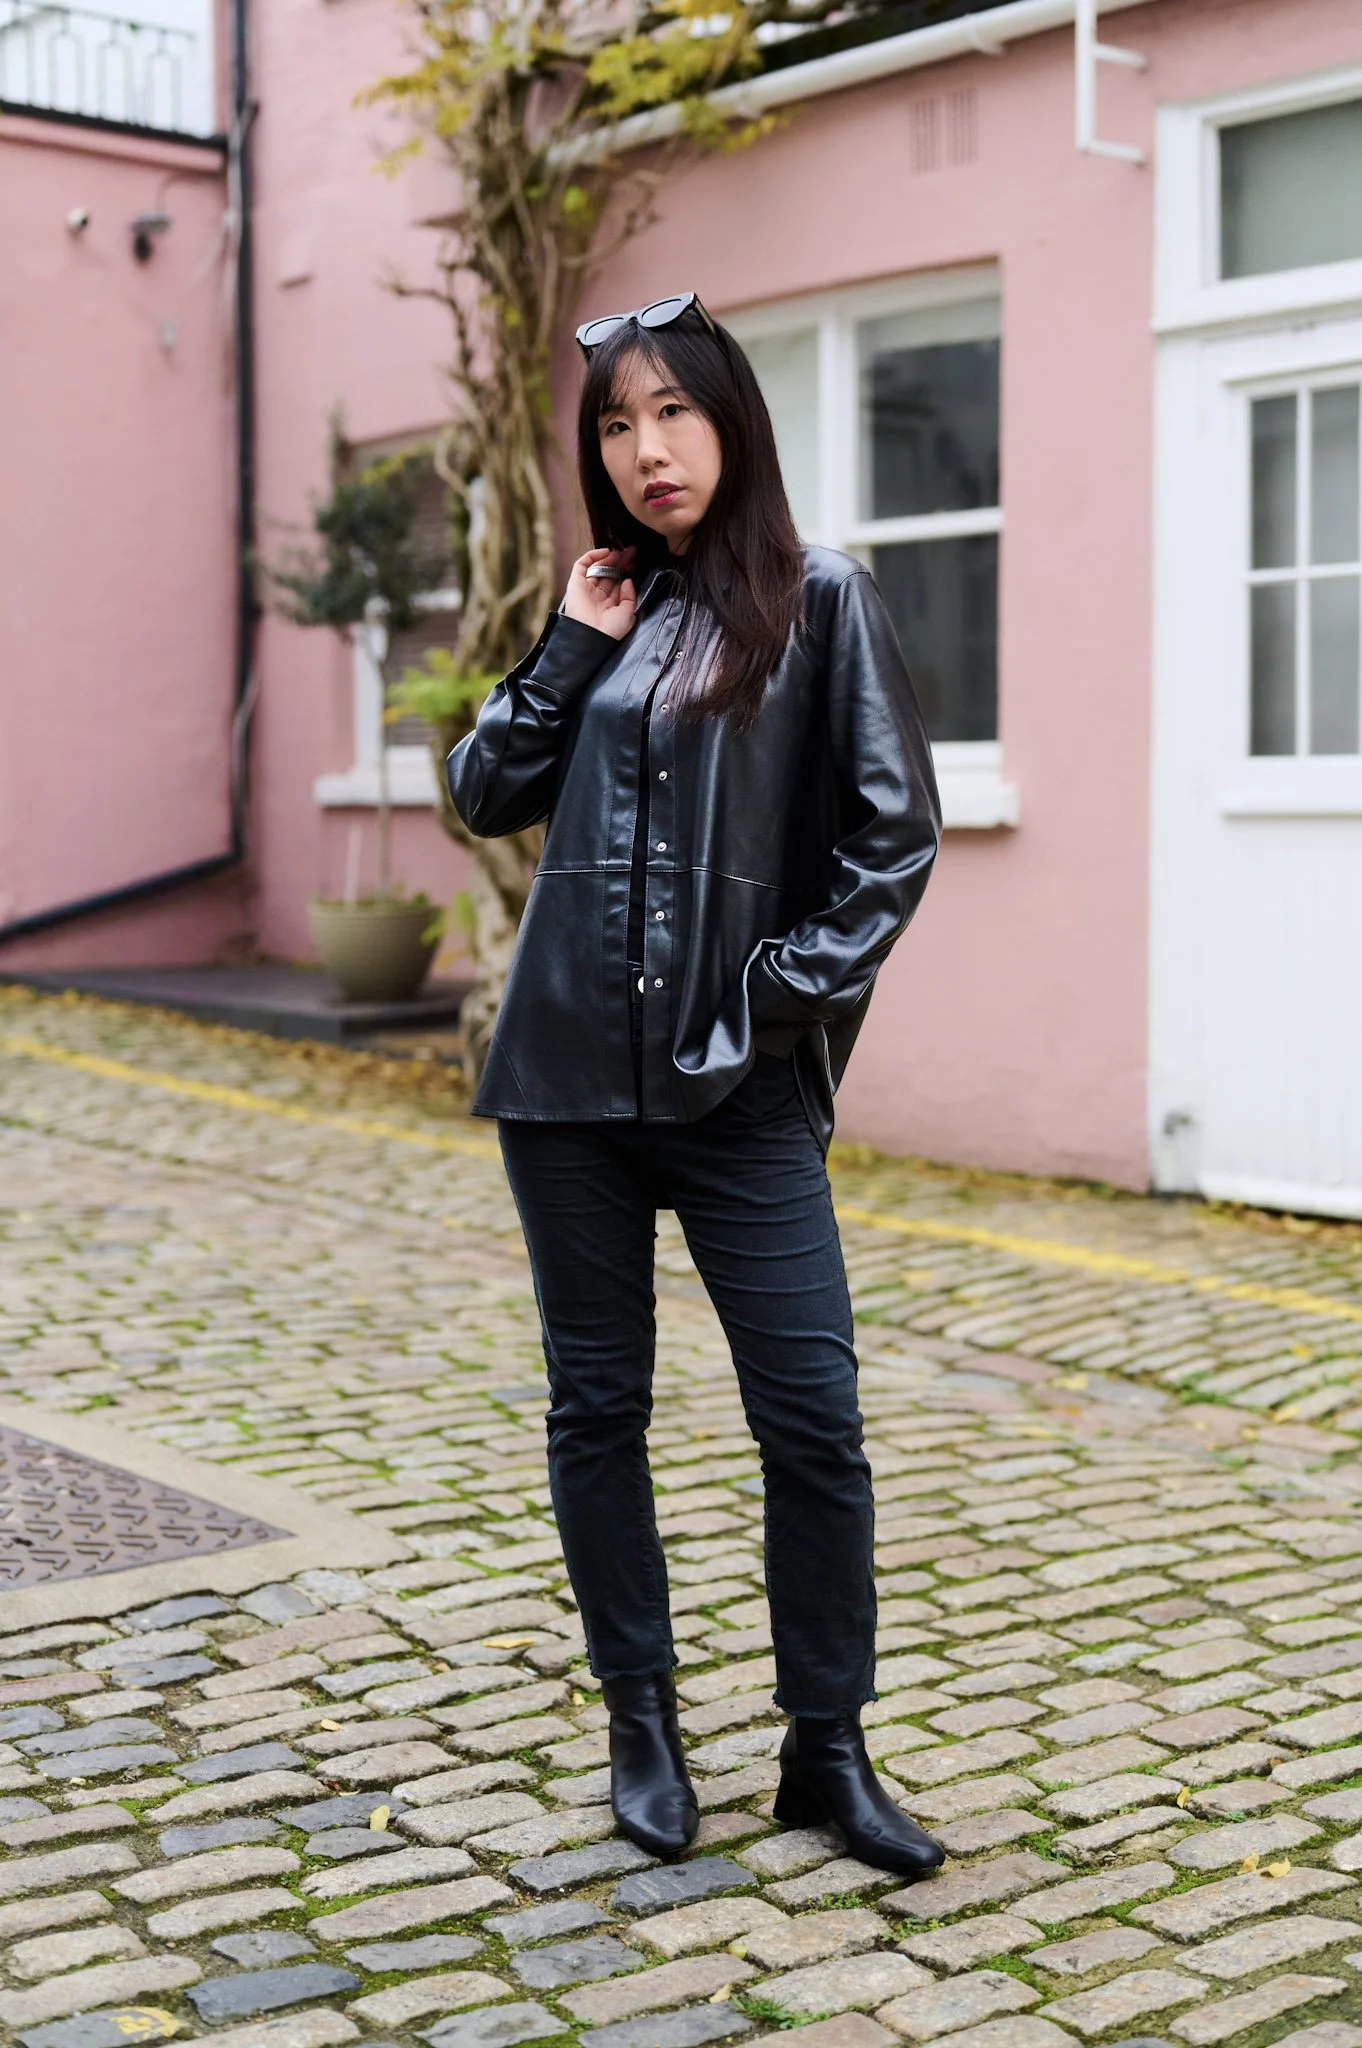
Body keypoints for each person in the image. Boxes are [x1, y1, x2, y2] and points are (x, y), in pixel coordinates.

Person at [447, 292, 944, 1878]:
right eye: (612, 422)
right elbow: (481, 791)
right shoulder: (602, 615)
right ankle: (640, 1724)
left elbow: (890, 844)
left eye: (670, 411)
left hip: (740, 1097)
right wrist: (565, 646)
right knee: (598, 1411)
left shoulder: (821, 600)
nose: (645, 449)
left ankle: (827, 1750)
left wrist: (768, 1001)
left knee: (812, 1419)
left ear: (731, 422)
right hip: (563, 1088)